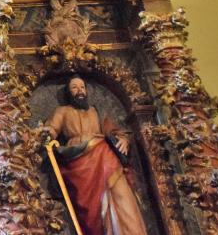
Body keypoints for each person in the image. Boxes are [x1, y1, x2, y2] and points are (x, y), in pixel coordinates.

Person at [43, 75, 148, 235]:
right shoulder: (63, 111)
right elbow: (51, 129)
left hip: (105, 156)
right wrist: (46, 134)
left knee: (123, 195)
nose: (80, 91)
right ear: (68, 92)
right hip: (79, 163)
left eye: (82, 87)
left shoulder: (96, 111)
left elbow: (113, 130)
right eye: (74, 87)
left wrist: (123, 139)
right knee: (92, 211)